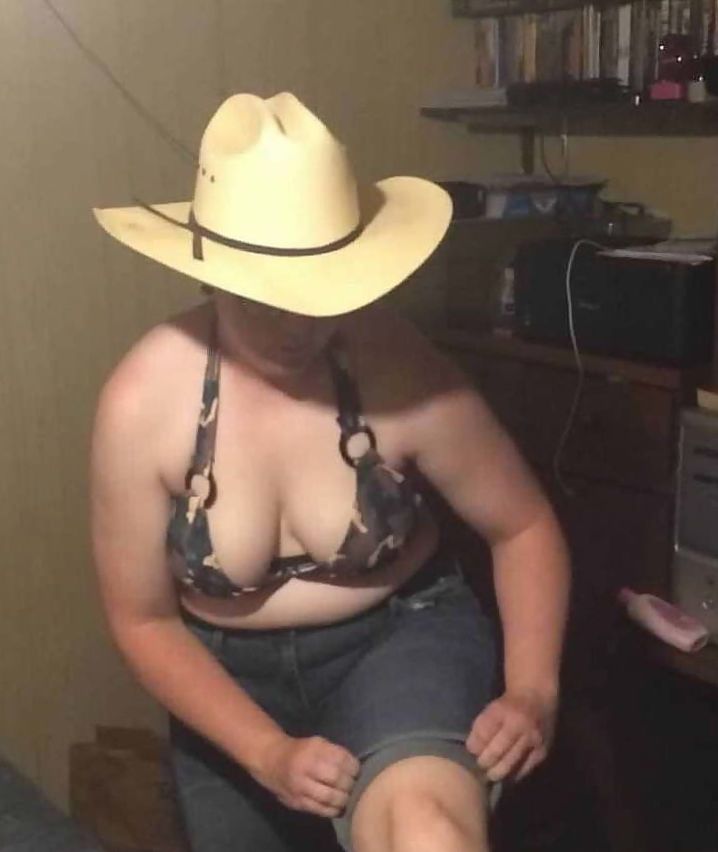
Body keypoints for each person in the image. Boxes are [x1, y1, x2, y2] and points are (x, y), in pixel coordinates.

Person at [90, 92, 570, 852]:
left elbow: (523, 526)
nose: (298, 326)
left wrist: (534, 688)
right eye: (268, 298)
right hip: (227, 684)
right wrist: (265, 752)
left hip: (398, 641)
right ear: (210, 273)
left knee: (429, 832)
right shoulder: (142, 401)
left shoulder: (398, 364)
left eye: (324, 293)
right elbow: (142, 618)